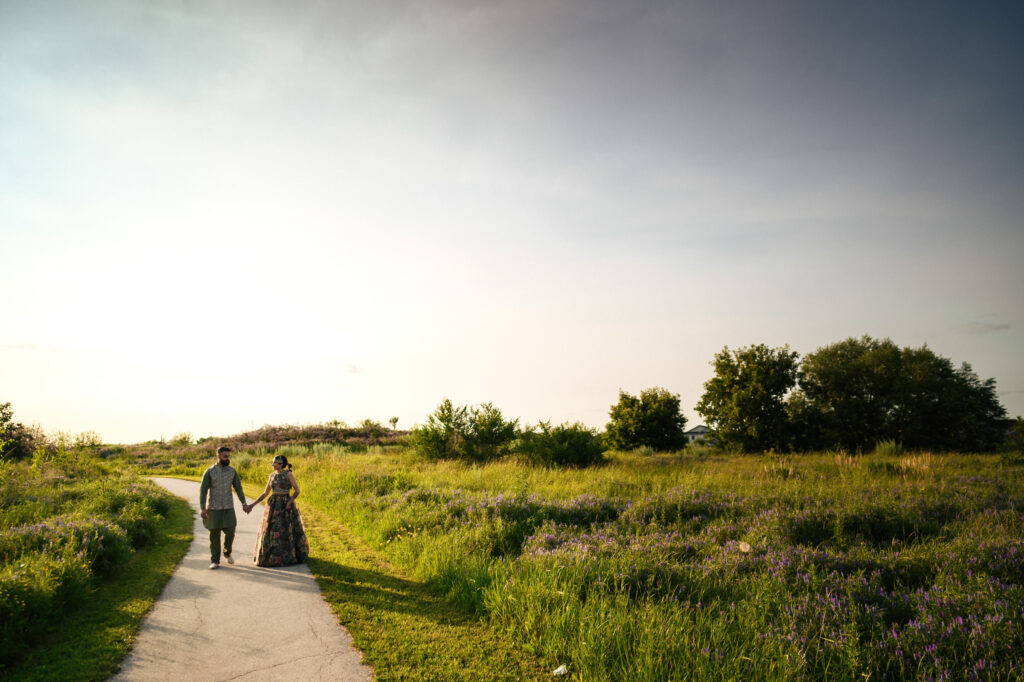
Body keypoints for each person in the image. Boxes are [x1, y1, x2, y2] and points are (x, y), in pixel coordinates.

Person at [245, 454, 309, 567]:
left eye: (274, 462)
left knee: (287, 529)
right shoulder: (271, 475)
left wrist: (290, 502)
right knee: (272, 530)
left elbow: (297, 490)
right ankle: (273, 557)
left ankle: (290, 555)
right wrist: (252, 505)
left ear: (280, 464)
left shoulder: (288, 474)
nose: (272, 464)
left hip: (286, 504)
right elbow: (265, 493)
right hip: (273, 505)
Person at [199, 445, 249, 569]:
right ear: (218, 456)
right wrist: (202, 507)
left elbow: (238, 488)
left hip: (228, 507)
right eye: (225, 456)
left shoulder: (232, 471)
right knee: (214, 536)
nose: (227, 459)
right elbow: (203, 491)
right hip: (213, 508)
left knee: (231, 531)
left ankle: (227, 553)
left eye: (228, 456)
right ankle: (215, 560)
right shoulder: (209, 472)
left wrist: (244, 503)